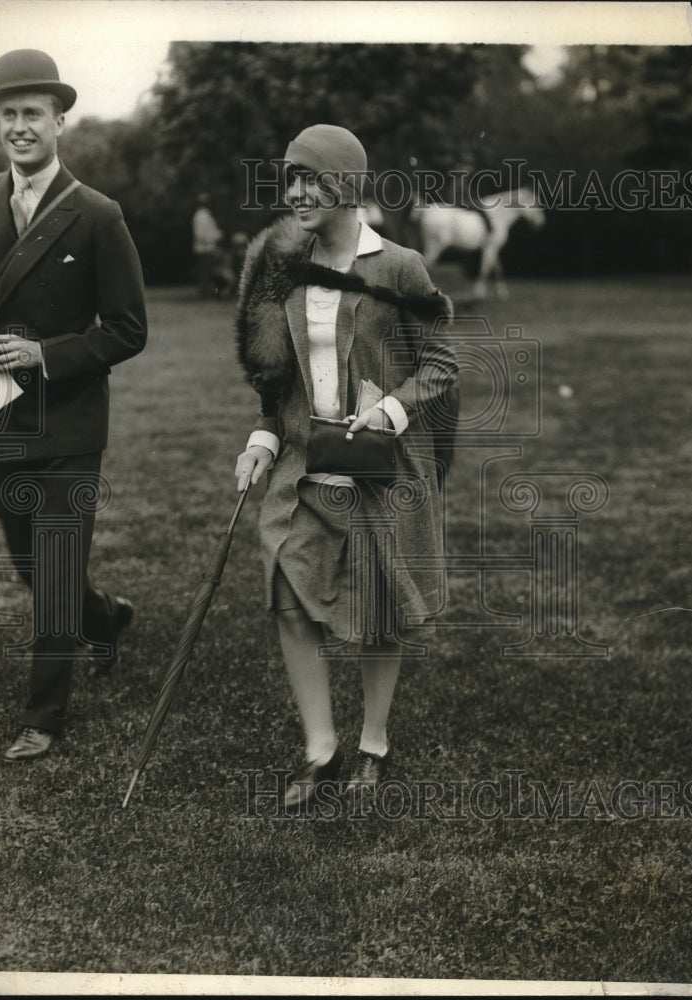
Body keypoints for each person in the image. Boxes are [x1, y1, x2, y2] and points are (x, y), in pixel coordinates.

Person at [234, 124, 457, 809]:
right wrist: (261, 442)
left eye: (311, 179)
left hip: (376, 472)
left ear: (347, 186)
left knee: (376, 612)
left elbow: (441, 366)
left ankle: (373, 745)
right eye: (290, 179)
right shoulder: (283, 270)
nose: (295, 193)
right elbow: (278, 386)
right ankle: (319, 749)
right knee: (288, 597)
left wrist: (389, 410)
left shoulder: (398, 267)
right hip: (304, 468)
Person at [0, 49, 147, 761]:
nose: (20, 128)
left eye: (33, 115)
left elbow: (128, 330)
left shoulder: (97, 214)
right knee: (28, 566)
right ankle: (106, 617)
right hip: (2, 420)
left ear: (60, 123)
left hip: (72, 423)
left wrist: (46, 354)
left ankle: (43, 717)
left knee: (50, 571)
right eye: (9, 115)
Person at [192, 192, 222, 298]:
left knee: (208, 272)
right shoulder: (200, 216)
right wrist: (216, 236)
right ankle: (204, 294)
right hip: (204, 249)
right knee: (205, 273)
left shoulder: (206, 215)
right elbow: (200, 235)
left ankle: (207, 293)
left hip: (208, 248)